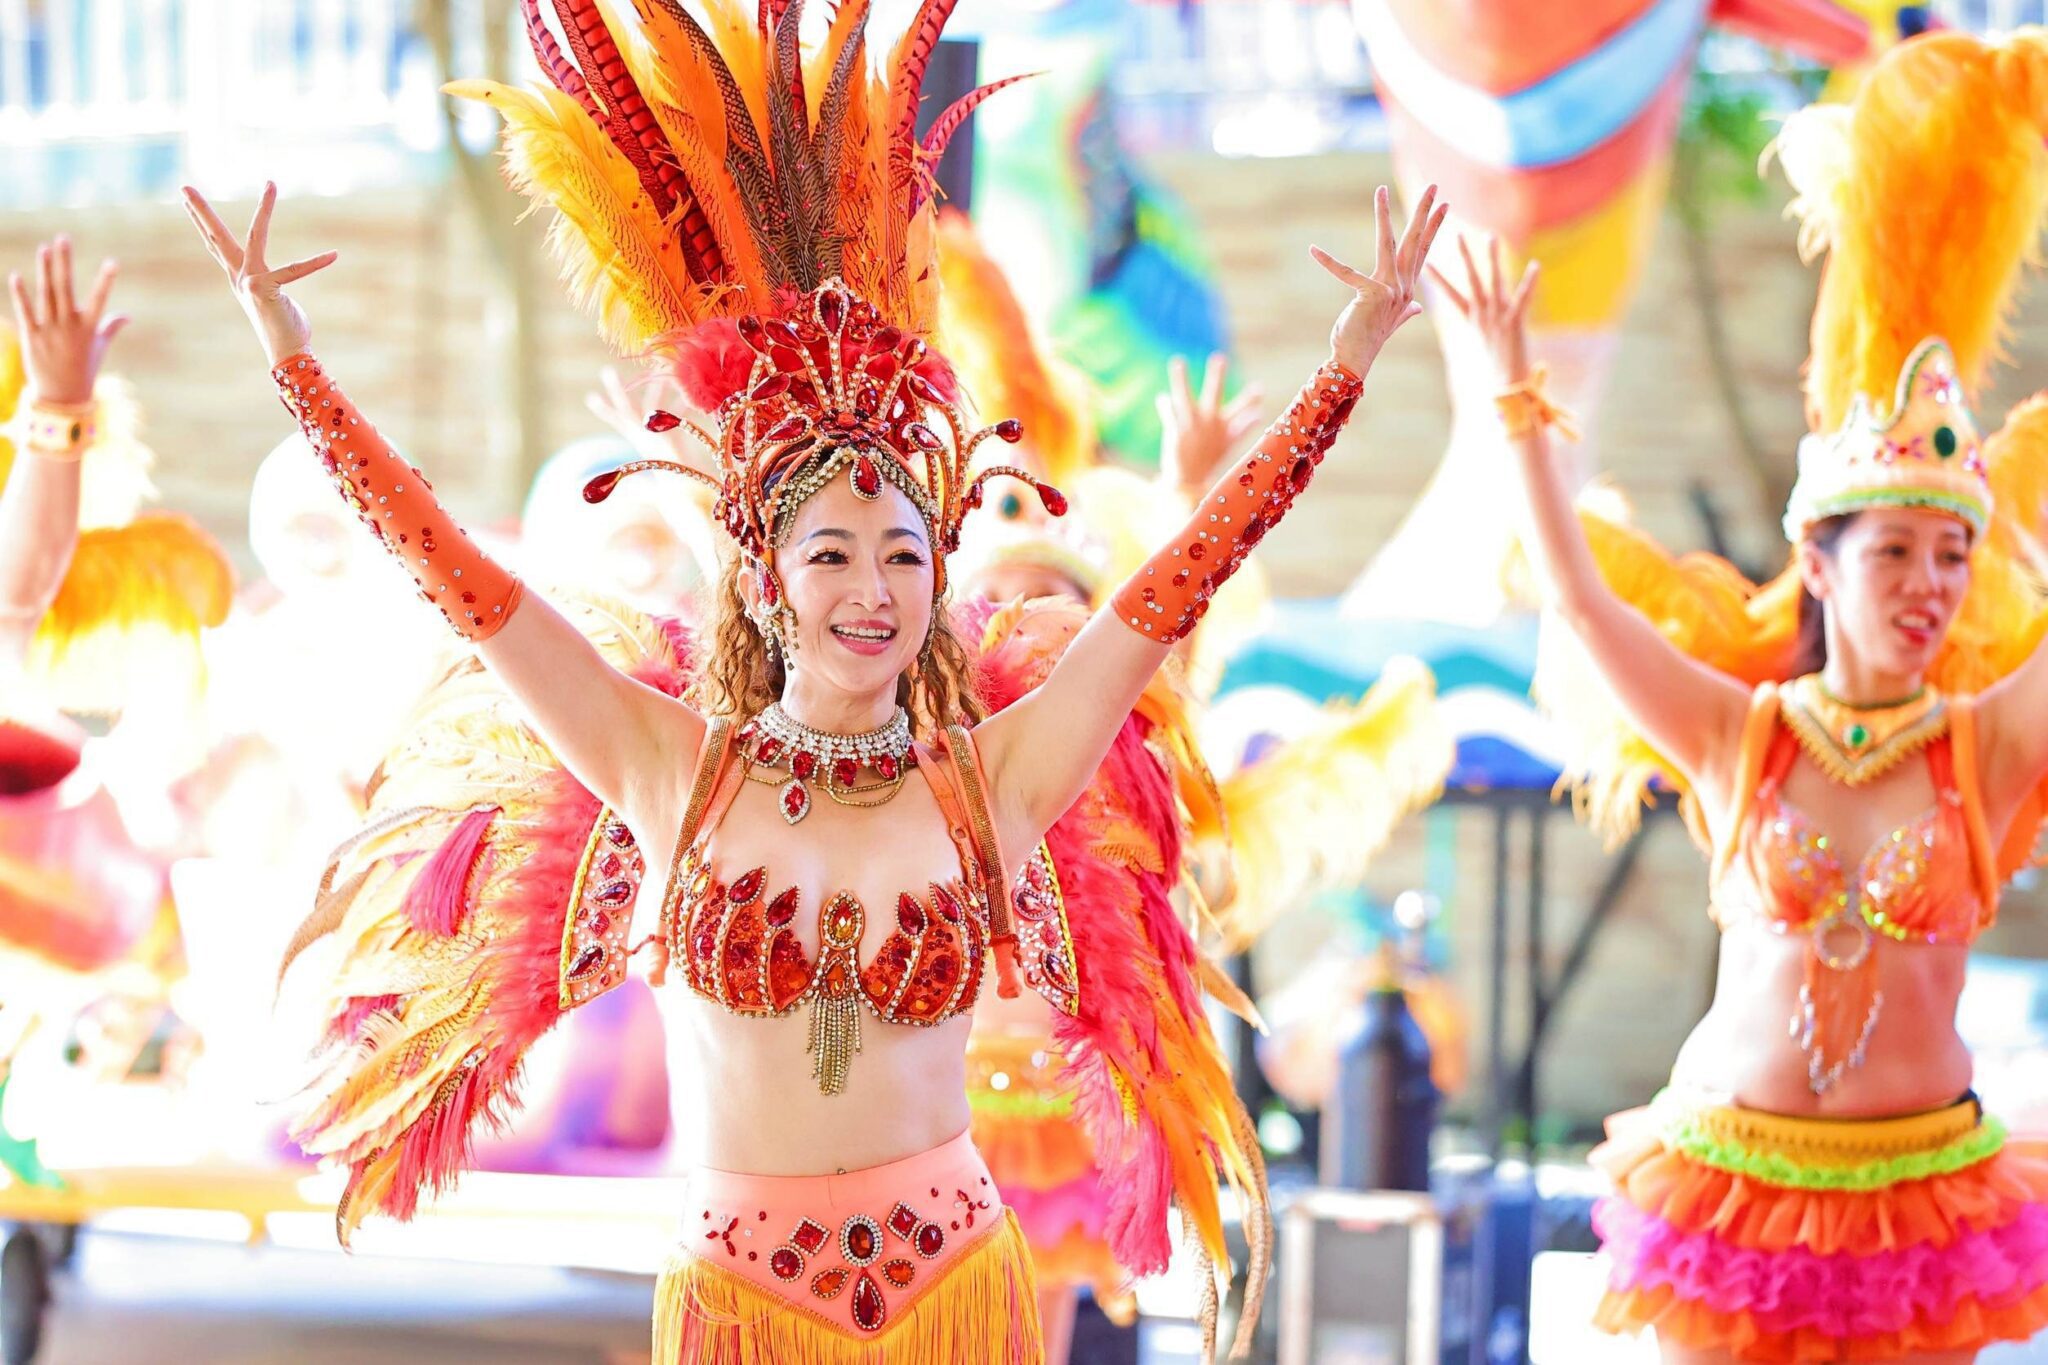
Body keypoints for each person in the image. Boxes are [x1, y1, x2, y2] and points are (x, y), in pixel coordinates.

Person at [180, 2, 1447, 1357]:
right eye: (832, 552)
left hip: (957, 1290)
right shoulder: (675, 767)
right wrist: (294, 365)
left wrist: (1349, 363)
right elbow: (469, 590)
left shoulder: (993, 777)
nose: (871, 589)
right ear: (769, 578)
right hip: (745, 1310)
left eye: (903, 554)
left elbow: (1165, 592)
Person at [1449, 29, 2048, 1364]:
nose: (1931, 582)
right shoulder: (1742, 734)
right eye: (1894, 548)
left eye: (1953, 552)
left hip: (1921, 1200)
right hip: (1735, 1194)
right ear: (1821, 567)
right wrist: (1512, 402)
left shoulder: (1986, 743)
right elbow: (1586, 603)